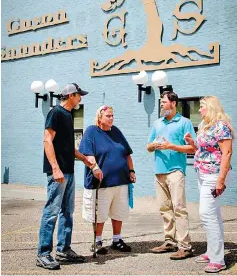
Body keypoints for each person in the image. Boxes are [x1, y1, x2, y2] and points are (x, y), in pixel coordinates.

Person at [36, 83, 96, 270]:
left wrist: (84, 159)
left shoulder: (69, 116)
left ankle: (63, 250)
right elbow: (47, 140)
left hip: (68, 171)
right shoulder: (56, 112)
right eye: (79, 95)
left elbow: (68, 148)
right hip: (58, 172)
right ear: (70, 95)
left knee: (67, 212)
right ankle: (43, 253)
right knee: (51, 212)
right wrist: (55, 168)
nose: (81, 99)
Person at [184, 96, 234, 273]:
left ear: (211, 107)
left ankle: (218, 260)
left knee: (206, 214)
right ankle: (212, 250)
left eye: (202, 106)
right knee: (214, 213)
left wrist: (221, 180)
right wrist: (193, 143)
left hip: (214, 175)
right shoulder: (207, 125)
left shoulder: (221, 125)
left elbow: (227, 153)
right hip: (203, 173)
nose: (199, 110)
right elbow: (204, 148)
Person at [79, 105, 136, 255]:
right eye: (108, 116)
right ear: (99, 117)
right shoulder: (91, 131)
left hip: (121, 181)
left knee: (119, 212)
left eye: (112, 116)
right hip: (101, 183)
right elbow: (87, 154)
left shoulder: (116, 131)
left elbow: (127, 153)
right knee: (100, 213)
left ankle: (117, 240)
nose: (111, 118)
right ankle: (97, 241)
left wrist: (131, 170)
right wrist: (95, 167)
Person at [147, 91, 196, 260]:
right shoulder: (157, 123)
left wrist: (171, 146)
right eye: (161, 102)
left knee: (179, 209)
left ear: (173, 103)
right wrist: (153, 145)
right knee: (165, 209)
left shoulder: (185, 123)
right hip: (159, 172)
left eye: (164, 102)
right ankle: (169, 242)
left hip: (176, 171)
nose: (161, 104)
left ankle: (185, 246)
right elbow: (148, 146)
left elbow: (192, 148)